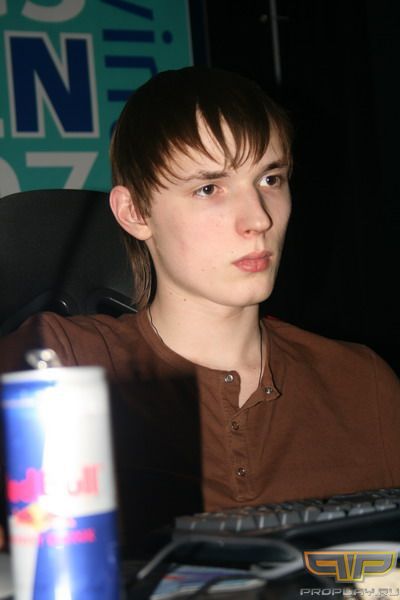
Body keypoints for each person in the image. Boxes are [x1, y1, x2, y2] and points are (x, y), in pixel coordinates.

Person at [1, 66, 400, 558]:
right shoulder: (56, 363)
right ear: (135, 213)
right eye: (209, 188)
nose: (259, 218)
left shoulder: (362, 384)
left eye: (270, 179)